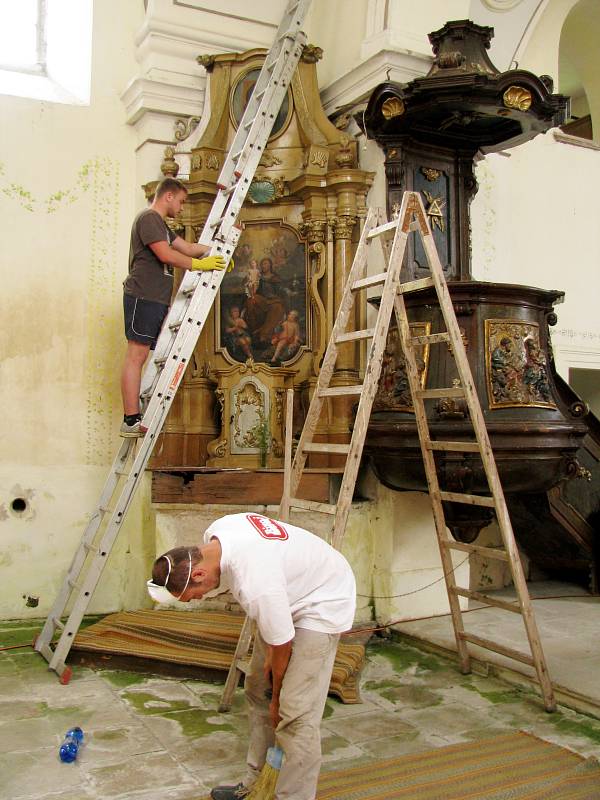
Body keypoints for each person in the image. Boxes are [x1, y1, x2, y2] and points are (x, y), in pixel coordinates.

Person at [147, 512, 356, 800]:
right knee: (257, 687)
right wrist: (269, 676)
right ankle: (257, 784)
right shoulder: (217, 533)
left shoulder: (255, 582)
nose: (197, 599)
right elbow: (276, 631)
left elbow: (282, 642)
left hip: (323, 599)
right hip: (286, 594)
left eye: (193, 596)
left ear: (198, 574)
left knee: (295, 712)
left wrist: (278, 697)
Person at [120, 177, 228, 437]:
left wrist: (220, 254)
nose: (181, 208)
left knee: (142, 356)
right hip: (142, 296)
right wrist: (200, 265)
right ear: (168, 196)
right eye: (180, 201)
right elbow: (166, 255)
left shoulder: (162, 226)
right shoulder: (148, 219)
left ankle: (134, 415)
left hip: (155, 299)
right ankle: (130, 418)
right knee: (136, 356)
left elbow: (189, 248)